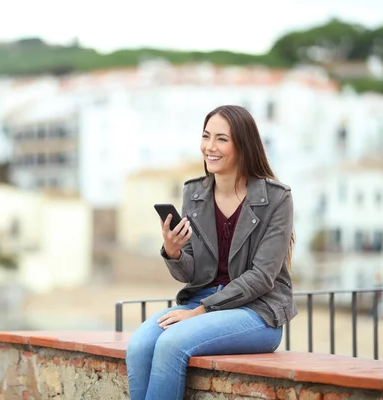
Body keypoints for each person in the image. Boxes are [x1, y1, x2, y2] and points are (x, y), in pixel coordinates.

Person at [125, 105, 297, 400]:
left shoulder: (277, 199)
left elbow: (262, 277)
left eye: (221, 139)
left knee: (171, 343)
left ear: (243, 146)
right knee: (139, 344)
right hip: (199, 304)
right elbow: (191, 273)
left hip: (258, 312)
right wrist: (173, 251)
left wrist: (201, 311)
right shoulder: (195, 193)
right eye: (206, 136)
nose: (209, 147)